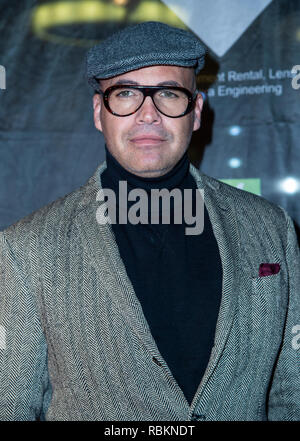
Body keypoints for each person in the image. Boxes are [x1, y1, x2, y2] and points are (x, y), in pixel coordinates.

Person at [0, 21, 299, 422]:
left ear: (195, 112)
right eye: (125, 94)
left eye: (168, 94)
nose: (148, 115)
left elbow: (292, 392)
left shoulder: (270, 227)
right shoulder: (27, 249)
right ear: (98, 112)